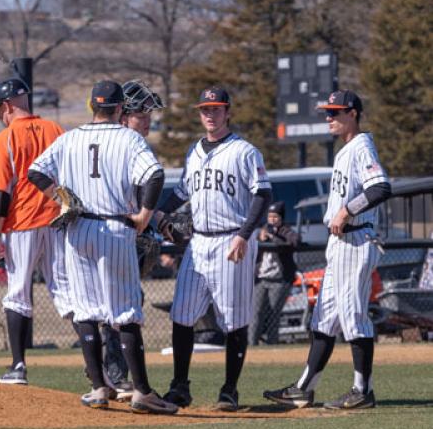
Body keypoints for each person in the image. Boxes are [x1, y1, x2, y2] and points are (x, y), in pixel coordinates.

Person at [28, 80, 178, 415]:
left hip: (78, 229)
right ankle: (141, 392)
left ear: (91, 105)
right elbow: (154, 176)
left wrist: (62, 197)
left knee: (86, 311)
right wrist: (143, 216)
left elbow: (35, 172)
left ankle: (98, 387)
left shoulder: (69, 138)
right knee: (124, 311)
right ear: (121, 108)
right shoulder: (128, 138)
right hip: (114, 228)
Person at [264, 89, 391, 410]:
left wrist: (347, 210)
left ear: (353, 113)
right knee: (323, 318)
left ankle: (363, 391)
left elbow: (381, 187)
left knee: (353, 316)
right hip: (341, 244)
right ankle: (304, 388)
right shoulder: (347, 150)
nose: (328, 118)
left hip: (356, 239)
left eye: (335, 112)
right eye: (327, 112)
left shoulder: (361, 147)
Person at [156, 86, 272, 411]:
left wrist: (245, 235)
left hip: (231, 239)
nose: (210, 114)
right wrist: (159, 213)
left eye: (216, 109)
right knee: (182, 315)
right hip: (199, 241)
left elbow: (263, 195)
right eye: (205, 109)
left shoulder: (245, 152)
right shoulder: (194, 151)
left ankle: (229, 390)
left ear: (228, 112)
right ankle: (180, 386)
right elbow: (182, 192)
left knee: (234, 320)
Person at [0, 78, 73, 385]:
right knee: (66, 291)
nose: (0, 117)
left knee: (17, 293)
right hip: (59, 221)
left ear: (7, 106)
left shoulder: (4, 139)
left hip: (22, 222)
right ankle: (99, 363)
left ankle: (18, 365)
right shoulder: (56, 130)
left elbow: (0, 193)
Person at [98, 80, 165, 399]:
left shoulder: (132, 144)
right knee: (116, 306)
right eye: (141, 113)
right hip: (107, 233)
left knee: (124, 303)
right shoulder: (122, 144)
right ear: (123, 116)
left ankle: (112, 373)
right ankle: (110, 373)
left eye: (149, 113)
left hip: (118, 233)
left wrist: (160, 220)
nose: (147, 119)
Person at [249, 201, 300, 346]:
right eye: (270, 216)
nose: (272, 220)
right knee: (255, 313)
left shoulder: (286, 231)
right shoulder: (263, 230)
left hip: (279, 280)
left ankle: (272, 344)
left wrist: (273, 238)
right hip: (261, 278)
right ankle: (251, 344)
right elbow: (250, 241)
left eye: (275, 217)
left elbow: (294, 241)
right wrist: (260, 237)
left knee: (273, 314)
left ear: (281, 218)